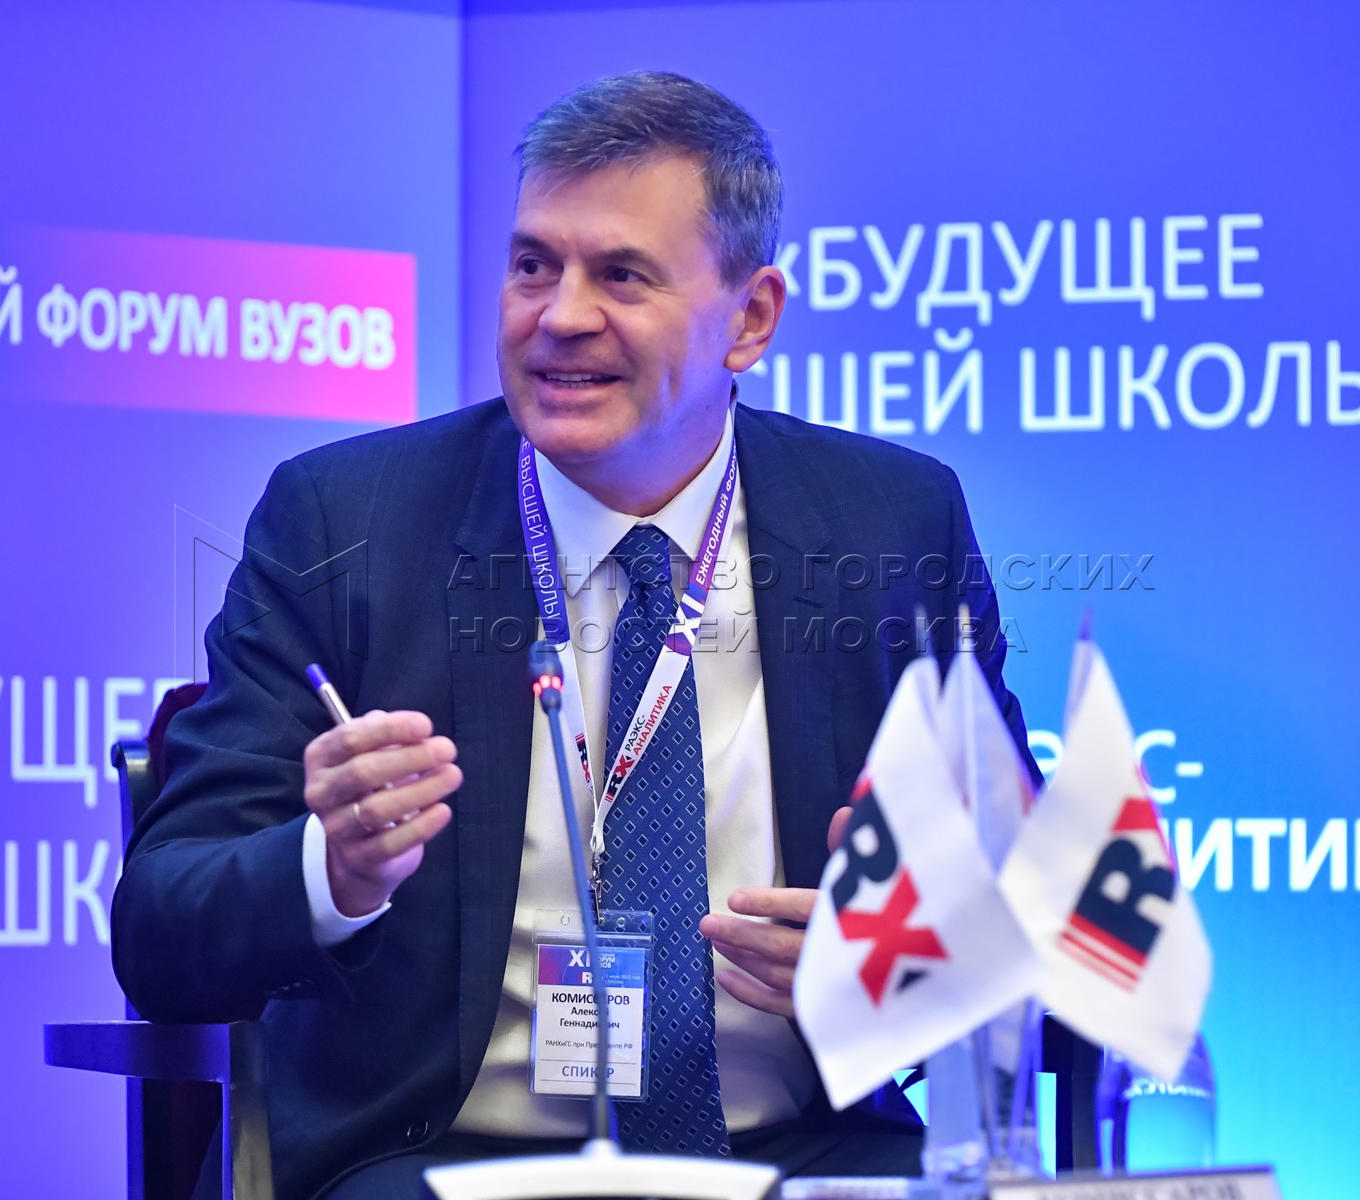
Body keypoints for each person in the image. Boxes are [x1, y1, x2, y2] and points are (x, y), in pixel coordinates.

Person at [111, 71, 1038, 1200]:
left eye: (621, 275)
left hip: (799, 1154)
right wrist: (332, 868)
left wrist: (898, 956)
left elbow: (1023, 894)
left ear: (751, 318)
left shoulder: (893, 523)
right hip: (439, 1162)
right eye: (533, 265)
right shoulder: (344, 525)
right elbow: (160, 927)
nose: (559, 316)